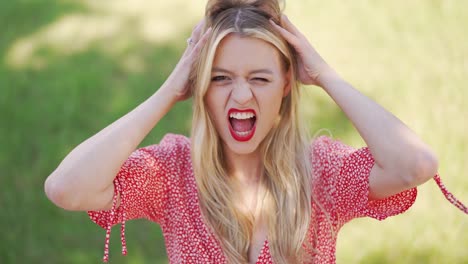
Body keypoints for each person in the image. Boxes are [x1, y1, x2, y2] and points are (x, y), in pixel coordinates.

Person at [44, 0, 467, 263]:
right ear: (201, 85)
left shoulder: (320, 172)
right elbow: (67, 188)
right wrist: (170, 91)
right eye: (221, 78)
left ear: (287, 85)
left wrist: (324, 75)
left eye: (260, 79)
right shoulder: (172, 172)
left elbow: (416, 164)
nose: (241, 96)